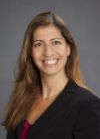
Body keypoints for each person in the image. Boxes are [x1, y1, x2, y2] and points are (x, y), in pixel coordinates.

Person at [2, 11, 100, 139]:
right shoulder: (22, 99)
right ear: (30, 52)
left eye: (56, 42)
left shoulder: (88, 106)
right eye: (38, 44)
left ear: (68, 48)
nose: (48, 52)